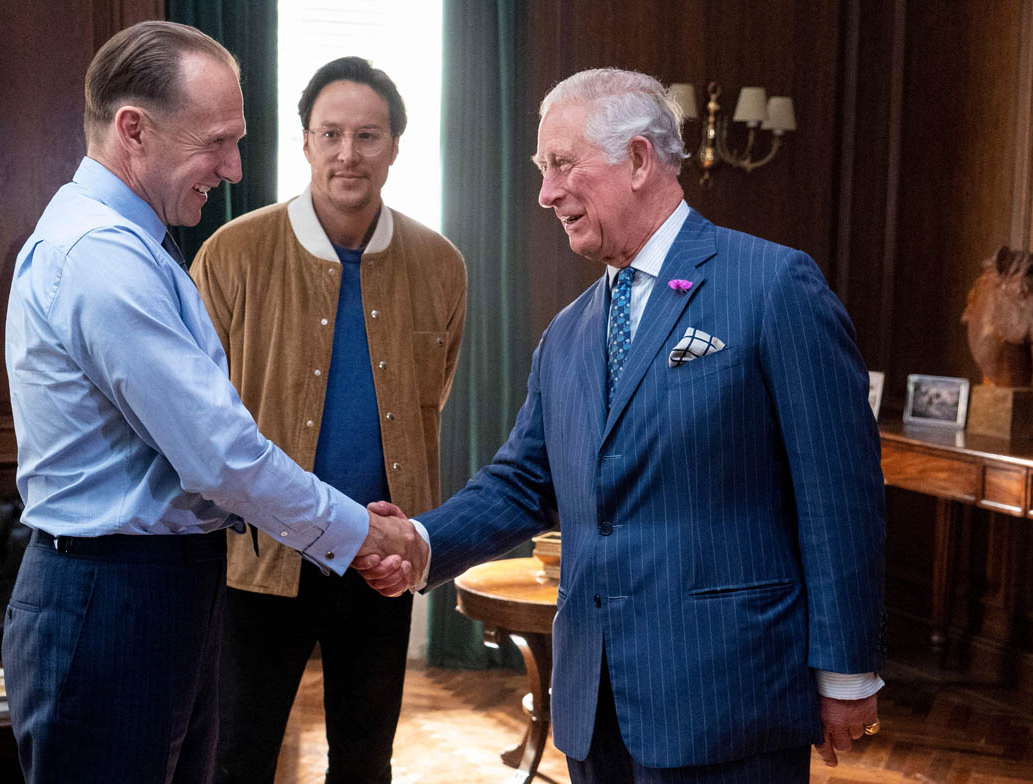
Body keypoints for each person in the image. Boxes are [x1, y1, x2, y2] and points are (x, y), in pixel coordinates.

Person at [356, 68, 887, 783]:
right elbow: (522, 483)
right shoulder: (567, 334)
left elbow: (839, 495)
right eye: (541, 170)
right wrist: (420, 542)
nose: (546, 193)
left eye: (562, 164)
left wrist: (847, 670)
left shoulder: (773, 286)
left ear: (638, 160)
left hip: (728, 696)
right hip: (593, 705)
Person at [2, 23, 411, 783]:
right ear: (134, 129)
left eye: (237, 141)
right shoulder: (102, 258)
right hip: (114, 598)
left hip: (155, 591)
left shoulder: (133, 243)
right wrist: (360, 534)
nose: (231, 169)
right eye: (215, 142)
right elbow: (220, 455)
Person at [190, 56, 466, 784]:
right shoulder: (232, 254)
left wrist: (397, 539)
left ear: (395, 146)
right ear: (306, 142)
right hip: (258, 557)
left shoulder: (440, 264)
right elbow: (196, 412)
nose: (349, 154)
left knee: (367, 760)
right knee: (237, 756)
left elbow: (431, 396)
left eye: (368, 136)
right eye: (331, 134)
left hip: (381, 557)